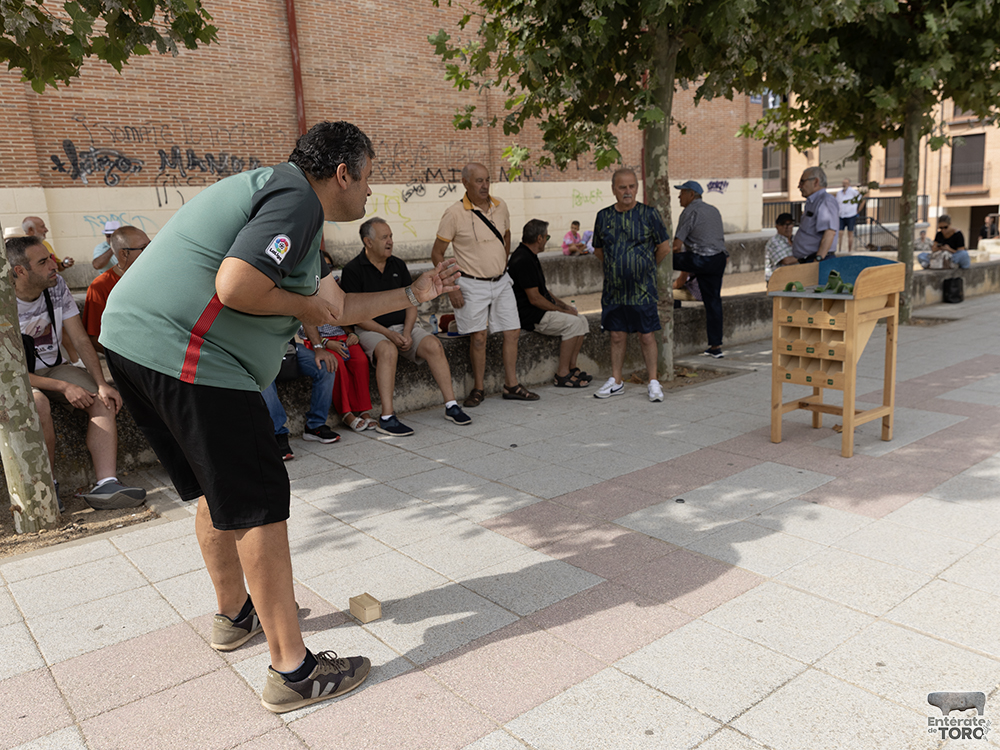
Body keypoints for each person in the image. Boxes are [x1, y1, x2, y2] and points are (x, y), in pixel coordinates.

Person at [98, 121, 460, 714]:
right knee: (260, 504)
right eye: (368, 177)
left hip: (136, 343)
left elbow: (335, 304)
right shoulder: (296, 199)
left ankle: (234, 613)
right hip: (191, 354)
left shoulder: (277, 193)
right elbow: (238, 284)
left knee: (220, 494)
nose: (370, 192)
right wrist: (303, 305)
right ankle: (293, 671)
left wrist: (416, 295)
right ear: (341, 173)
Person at [6, 234, 147, 511]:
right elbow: (10, 372)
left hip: (54, 367)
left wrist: (99, 383)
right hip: (14, 376)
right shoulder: (4, 300)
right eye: (43, 261)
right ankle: (46, 487)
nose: (53, 265)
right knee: (38, 404)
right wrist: (63, 388)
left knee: (103, 399)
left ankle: (106, 483)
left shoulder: (56, 286)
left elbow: (81, 339)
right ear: (20, 271)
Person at [341, 217, 471, 435]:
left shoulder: (398, 265)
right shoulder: (353, 270)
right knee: (387, 350)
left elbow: (412, 302)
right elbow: (355, 316)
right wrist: (389, 335)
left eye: (391, 236)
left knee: (433, 345)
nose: (390, 241)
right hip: (372, 330)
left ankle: (451, 405)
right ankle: (387, 417)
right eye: (384, 237)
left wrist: (408, 332)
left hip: (404, 325)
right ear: (368, 242)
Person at [431, 162, 538, 406]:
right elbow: (437, 253)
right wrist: (452, 287)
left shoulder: (501, 206)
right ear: (465, 183)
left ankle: (511, 384)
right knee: (478, 337)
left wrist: (502, 260)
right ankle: (478, 388)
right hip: (470, 284)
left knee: (512, 331)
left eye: (487, 180)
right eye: (479, 181)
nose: (485, 185)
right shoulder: (453, 213)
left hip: (501, 281)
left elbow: (507, 235)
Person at [592, 168, 670, 402]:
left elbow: (664, 247)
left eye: (632, 186)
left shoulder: (649, 214)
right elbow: (598, 250)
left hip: (643, 290)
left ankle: (653, 382)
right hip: (614, 290)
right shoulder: (603, 216)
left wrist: (643, 267)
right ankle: (616, 381)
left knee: (647, 336)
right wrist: (618, 267)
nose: (627, 191)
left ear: (637, 187)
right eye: (622, 187)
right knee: (616, 336)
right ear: (613, 189)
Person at [508, 219, 592, 387]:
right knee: (573, 324)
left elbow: (544, 291)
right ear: (539, 238)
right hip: (531, 315)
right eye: (546, 237)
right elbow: (535, 298)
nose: (547, 240)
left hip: (539, 310)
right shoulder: (523, 259)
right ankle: (562, 374)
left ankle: (572, 367)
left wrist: (565, 306)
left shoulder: (530, 255)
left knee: (581, 320)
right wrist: (561, 311)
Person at [261, 325, 340, 461]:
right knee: (263, 377)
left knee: (325, 366)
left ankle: (315, 425)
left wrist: (318, 348)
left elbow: (306, 317)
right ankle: (278, 433)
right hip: (258, 350)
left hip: (287, 346)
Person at [672, 180, 729, 359]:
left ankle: (666, 293)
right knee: (713, 302)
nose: (679, 197)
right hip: (718, 259)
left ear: (691, 194)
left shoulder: (689, 211)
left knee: (662, 260)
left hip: (700, 259)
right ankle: (715, 346)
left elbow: (676, 246)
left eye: (681, 193)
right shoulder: (713, 210)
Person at [82, 226, 149, 352]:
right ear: (123, 253)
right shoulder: (100, 287)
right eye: (143, 248)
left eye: (151, 245)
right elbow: (95, 337)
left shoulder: (157, 276)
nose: (150, 251)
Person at [791, 167, 839, 263]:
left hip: (819, 260)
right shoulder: (812, 202)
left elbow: (829, 233)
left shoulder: (825, 201)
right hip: (808, 260)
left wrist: (818, 260)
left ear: (816, 182)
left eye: (802, 182)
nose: (799, 186)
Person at [765, 212, 797, 281]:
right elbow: (786, 261)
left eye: (790, 224)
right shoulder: (773, 242)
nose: (787, 227)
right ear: (777, 227)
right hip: (777, 280)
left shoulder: (796, 239)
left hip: (793, 278)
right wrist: (804, 257)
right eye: (783, 224)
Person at [834, 178, 863, 253]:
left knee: (850, 233)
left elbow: (862, 199)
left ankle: (849, 250)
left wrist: (858, 210)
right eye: (843, 183)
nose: (844, 184)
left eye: (846, 183)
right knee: (840, 233)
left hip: (851, 215)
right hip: (841, 215)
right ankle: (839, 249)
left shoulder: (853, 192)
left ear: (849, 184)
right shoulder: (839, 193)